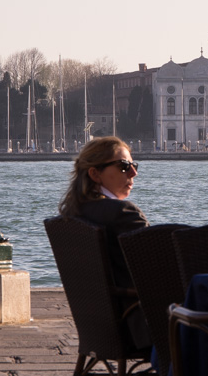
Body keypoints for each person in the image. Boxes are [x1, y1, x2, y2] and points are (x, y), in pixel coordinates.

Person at [58, 136, 150, 348]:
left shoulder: (71, 216)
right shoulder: (124, 213)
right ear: (95, 173)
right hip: (140, 326)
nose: (133, 173)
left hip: (101, 327)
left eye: (133, 166)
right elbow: (153, 272)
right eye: (124, 166)